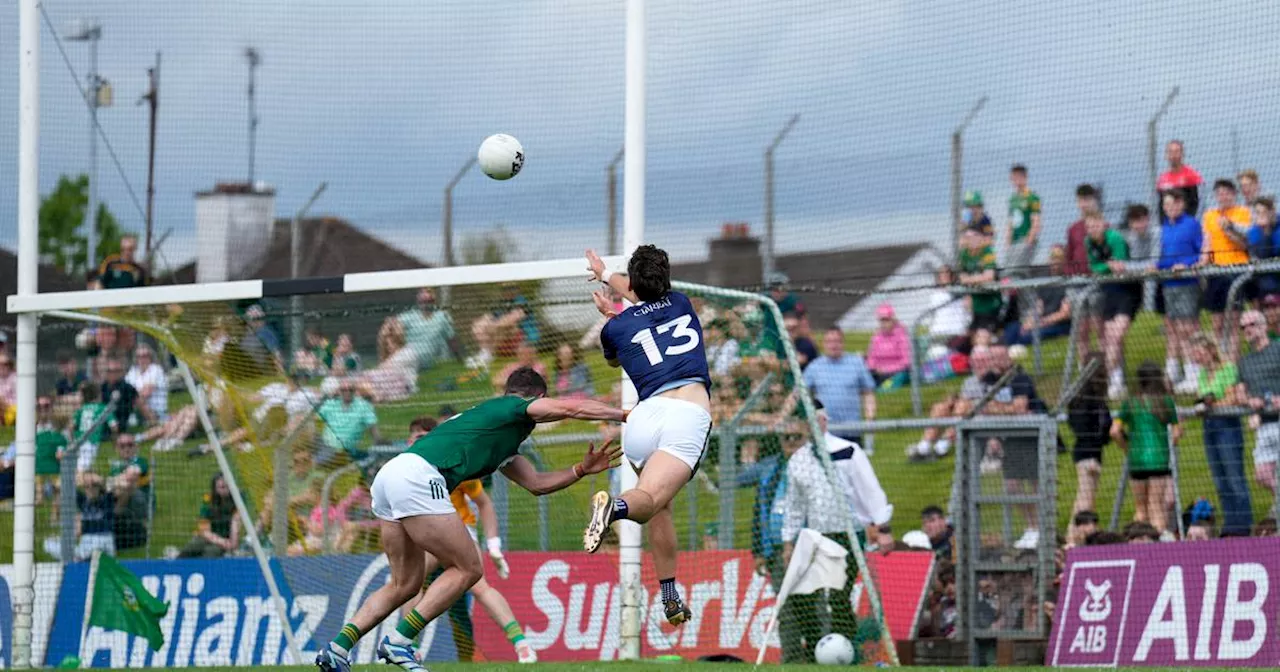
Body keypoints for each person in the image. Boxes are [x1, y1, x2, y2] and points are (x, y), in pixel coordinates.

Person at [314, 367, 623, 672]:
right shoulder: (513, 406)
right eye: (542, 403)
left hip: (390, 476)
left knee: (404, 584)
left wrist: (580, 471)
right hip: (419, 476)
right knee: (469, 568)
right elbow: (571, 407)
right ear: (538, 397)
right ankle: (400, 641)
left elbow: (537, 484)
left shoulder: (500, 434)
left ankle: (337, 649)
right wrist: (625, 415)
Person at [580, 245, 713, 626]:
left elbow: (617, 354)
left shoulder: (615, 327)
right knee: (648, 501)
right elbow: (641, 296)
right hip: (685, 414)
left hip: (641, 420)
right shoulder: (682, 302)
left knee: (658, 505)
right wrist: (612, 284)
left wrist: (608, 294)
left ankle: (669, 594)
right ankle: (615, 509)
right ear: (665, 279)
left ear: (633, 283)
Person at [400, 418, 537, 664]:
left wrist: (494, 545)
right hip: (426, 535)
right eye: (414, 437)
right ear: (408, 441)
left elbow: (484, 503)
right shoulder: (401, 470)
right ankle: (408, 646)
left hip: (456, 530)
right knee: (412, 585)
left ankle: (521, 644)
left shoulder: (450, 460)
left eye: (423, 436)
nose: (417, 441)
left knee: (477, 586)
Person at [778, 427, 859, 660]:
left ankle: (846, 649)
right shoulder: (798, 461)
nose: (794, 440)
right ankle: (815, 647)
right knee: (800, 593)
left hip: (847, 534)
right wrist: (787, 542)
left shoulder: (843, 451)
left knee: (838, 596)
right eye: (789, 436)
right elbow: (794, 505)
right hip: (815, 537)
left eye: (798, 435)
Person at [984, 346, 1048, 550]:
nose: (995, 361)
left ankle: (1043, 528)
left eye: (999, 356)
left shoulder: (1020, 378)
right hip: (1009, 439)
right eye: (992, 357)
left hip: (1029, 436)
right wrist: (1006, 411)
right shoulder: (990, 380)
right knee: (1012, 486)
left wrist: (999, 409)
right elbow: (985, 407)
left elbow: (1021, 407)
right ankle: (1031, 527)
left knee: (1036, 484)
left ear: (1007, 357)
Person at [1189, 334, 1252, 536]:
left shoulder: (1228, 369)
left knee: (1234, 477)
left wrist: (1212, 405)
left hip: (1227, 427)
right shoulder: (1202, 375)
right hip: (1210, 428)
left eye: (1199, 352)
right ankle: (1230, 522)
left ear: (1210, 351)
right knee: (1220, 480)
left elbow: (1233, 398)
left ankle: (1243, 523)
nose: (1196, 357)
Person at [1112, 362, 1179, 536]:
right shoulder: (1166, 402)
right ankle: (1158, 546)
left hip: (1137, 462)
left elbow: (1115, 431)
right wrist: (1168, 444)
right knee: (1157, 506)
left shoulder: (1130, 403)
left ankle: (1138, 544)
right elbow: (1177, 430)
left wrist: (1128, 448)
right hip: (1159, 461)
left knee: (1141, 509)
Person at [1085, 213, 1139, 398]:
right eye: (1089, 227)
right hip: (1108, 291)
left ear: (1103, 224)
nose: (1092, 230)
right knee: (1108, 338)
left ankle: (1106, 378)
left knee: (1116, 335)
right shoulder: (1089, 242)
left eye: (1095, 226)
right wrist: (1106, 266)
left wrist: (1106, 266)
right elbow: (1094, 267)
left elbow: (1120, 266)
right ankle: (1116, 381)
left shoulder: (1115, 238)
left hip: (1128, 290)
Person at [1157, 190, 1206, 394]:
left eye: (1171, 204)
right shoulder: (1165, 227)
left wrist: (1184, 266)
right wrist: (1158, 266)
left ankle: (1196, 372)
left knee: (1189, 328)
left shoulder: (1192, 225)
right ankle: (1184, 373)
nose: (1168, 208)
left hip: (1187, 283)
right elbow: (1164, 255)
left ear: (1181, 204)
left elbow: (1201, 254)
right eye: (1165, 205)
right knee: (1175, 328)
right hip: (1169, 285)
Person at [1200, 178, 1254, 357]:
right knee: (1217, 323)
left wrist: (1228, 231)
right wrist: (1201, 265)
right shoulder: (1209, 216)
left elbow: (1245, 244)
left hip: (1236, 269)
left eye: (1226, 193)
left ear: (1233, 194)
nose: (1222, 197)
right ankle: (1221, 363)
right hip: (1216, 272)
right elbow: (1207, 245)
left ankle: (1233, 365)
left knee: (1233, 322)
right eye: (1219, 193)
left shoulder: (1242, 213)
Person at [802, 328, 877, 447]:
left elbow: (868, 393)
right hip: (825, 432)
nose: (833, 345)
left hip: (852, 431)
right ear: (823, 344)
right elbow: (799, 393)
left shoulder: (856, 363)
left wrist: (870, 417)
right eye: (829, 341)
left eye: (837, 341)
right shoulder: (815, 367)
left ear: (843, 343)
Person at [1237, 310, 1280, 509]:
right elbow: (1240, 391)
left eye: (1252, 324)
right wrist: (1249, 401)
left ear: (1264, 326)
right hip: (1263, 423)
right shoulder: (1245, 361)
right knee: (1262, 475)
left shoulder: (1278, 348)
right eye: (1243, 327)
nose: (1247, 330)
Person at [1067, 355, 1111, 518]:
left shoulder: (1096, 397)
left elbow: (1104, 427)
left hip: (1094, 452)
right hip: (1086, 454)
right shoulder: (1084, 398)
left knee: (1086, 499)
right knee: (1085, 501)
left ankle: (1074, 537)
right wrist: (1090, 456)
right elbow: (1081, 428)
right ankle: (1073, 539)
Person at [380, 288, 463, 372]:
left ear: (434, 300)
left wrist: (459, 359)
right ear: (418, 301)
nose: (425, 304)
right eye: (423, 301)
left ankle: (386, 367)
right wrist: (391, 322)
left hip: (425, 362)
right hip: (407, 357)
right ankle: (384, 363)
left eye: (428, 301)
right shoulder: (409, 316)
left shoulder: (442, 317)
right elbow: (392, 325)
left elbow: (452, 339)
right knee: (389, 327)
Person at [1064, 184, 1103, 359]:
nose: (1084, 204)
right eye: (1081, 200)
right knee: (1081, 329)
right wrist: (1070, 278)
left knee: (1099, 326)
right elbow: (1069, 257)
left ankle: (1107, 368)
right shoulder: (1073, 229)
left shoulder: (1104, 226)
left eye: (1088, 199)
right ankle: (1084, 368)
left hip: (1097, 282)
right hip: (1077, 283)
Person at [316, 378, 382, 466]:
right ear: (339, 391)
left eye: (350, 390)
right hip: (325, 446)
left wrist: (379, 446)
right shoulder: (330, 404)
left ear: (355, 391)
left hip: (347, 450)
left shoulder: (363, 406)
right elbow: (315, 421)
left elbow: (374, 430)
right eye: (343, 390)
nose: (347, 392)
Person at [957, 227, 1002, 343]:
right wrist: (977, 279)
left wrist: (970, 279)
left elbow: (989, 276)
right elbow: (962, 278)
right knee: (969, 340)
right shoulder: (964, 254)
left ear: (980, 238)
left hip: (991, 304)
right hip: (976, 306)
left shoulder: (987, 251)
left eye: (974, 237)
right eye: (967, 237)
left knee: (982, 339)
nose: (971, 240)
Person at [179, 474, 241, 558]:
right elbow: (204, 530)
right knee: (192, 547)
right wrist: (220, 541)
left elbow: (236, 525)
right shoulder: (208, 501)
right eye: (222, 487)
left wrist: (231, 544)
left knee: (211, 552)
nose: (226, 490)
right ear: (215, 489)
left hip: (227, 539)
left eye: (228, 486)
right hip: (209, 536)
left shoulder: (238, 500)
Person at [1005, 164, 1042, 277]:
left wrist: (1029, 241)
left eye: (1017, 177)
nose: (1015, 181)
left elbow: (1036, 222)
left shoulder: (1032, 197)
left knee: (1015, 271)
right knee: (1017, 273)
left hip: (1025, 241)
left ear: (1024, 177)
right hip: (1014, 243)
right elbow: (1010, 223)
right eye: (1013, 178)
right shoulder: (1013, 199)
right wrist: (1007, 242)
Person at [866, 303, 911, 388]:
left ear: (892, 320)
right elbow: (871, 357)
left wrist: (886, 369)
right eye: (881, 320)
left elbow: (906, 362)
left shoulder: (902, 335)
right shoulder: (876, 336)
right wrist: (873, 368)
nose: (883, 323)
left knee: (899, 376)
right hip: (877, 372)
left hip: (896, 372)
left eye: (886, 320)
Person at [34, 396, 67, 506]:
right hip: (38, 469)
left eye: (46, 406)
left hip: (55, 468)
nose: (43, 409)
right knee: (39, 495)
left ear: (52, 408)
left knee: (58, 489)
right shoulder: (30, 429)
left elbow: (65, 445)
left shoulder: (59, 429)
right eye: (39, 407)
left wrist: (62, 452)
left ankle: (54, 518)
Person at [1157, 140, 1203, 217]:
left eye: (1177, 151)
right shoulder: (1162, 179)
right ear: (1166, 155)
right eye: (1170, 152)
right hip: (1169, 224)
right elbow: (1160, 206)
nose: (1173, 155)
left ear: (1182, 154)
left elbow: (1200, 202)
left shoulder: (1192, 176)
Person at [125, 345, 168, 424]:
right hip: (135, 407)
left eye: (145, 356)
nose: (142, 359)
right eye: (139, 356)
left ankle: (154, 420)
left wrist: (133, 394)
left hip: (155, 409)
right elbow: (125, 389)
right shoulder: (133, 371)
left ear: (150, 357)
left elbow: (147, 392)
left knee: (138, 399)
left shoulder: (156, 369)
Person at [71, 382, 108, 473]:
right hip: (91, 441)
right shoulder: (102, 407)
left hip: (79, 439)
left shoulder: (81, 408)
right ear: (98, 395)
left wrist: (73, 438)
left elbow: (72, 426)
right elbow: (114, 425)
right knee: (82, 469)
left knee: (81, 465)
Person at [1248, 197, 1280, 298]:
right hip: (1264, 278)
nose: (1261, 215)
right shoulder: (1254, 231)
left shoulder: (1278, 229)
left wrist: (1269, 230)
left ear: (1271, 212)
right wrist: (1265, 231)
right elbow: (1261, 255)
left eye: (1264, 212)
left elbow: (1277, 251)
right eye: (1258, 212)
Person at [99, 358, 141, 434]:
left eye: (116, 371)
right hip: (102, 423)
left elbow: (139, 403)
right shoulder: (101, 387)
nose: (113, 374)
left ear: (121, 372)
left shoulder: (127, 388)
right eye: (110, 371)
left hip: (120, 424)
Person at [0, 356, 16, 426]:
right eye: (0, 364)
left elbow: (19, 400)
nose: (2, 366)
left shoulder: (16, 379)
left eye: (5, 364)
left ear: (10, 366)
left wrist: (4, 403)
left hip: (12, 409)